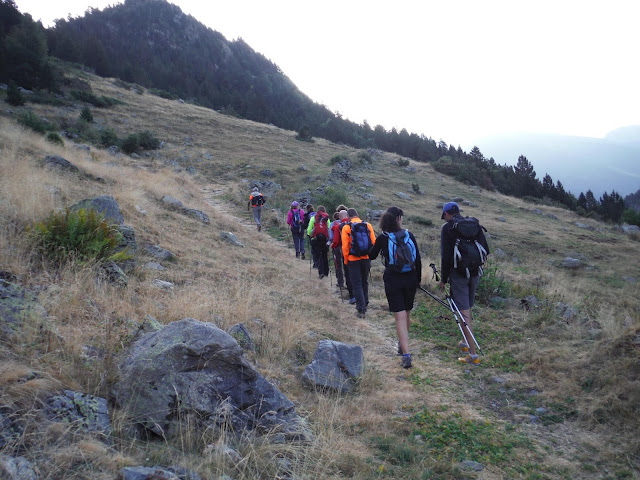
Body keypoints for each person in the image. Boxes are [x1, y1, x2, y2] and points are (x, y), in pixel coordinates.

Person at [438, 202, 490, 366]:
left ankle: (473, 355)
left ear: (447, 214)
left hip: (459, 275)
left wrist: (443, 279)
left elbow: (446, 257)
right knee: (466, 309)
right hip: (475, 273)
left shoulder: (448, 228)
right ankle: (465, 343)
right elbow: (486, 250)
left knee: (464, 313)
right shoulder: (473, 225)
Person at [369, 207, 421, 369]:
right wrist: (418, 280)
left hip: (393, 279)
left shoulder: (383, 238)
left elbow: (371, 255)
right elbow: (418, 259)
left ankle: (406, 354)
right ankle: (402, 344)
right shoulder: (409, 235)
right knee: (407, 312)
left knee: (399, 316)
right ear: (398, 218)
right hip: (410, 278)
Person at [341, 208, 376, 318]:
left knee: (356, 283)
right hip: (366, 258)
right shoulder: (368, 225)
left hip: (353, 259)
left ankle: (361, 309)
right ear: (357, 214)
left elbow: (345, 247)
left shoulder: (346, 227)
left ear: (348, 216)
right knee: (364, 281)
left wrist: (346, 260)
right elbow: (374, 242)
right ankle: (365, 302)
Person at [307, 205, 330, 279]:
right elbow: (329, 229)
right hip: (325, 239)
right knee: (324, 255)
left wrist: (309, 235)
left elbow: (309, 229)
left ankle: (321, 272)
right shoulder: (327, 219)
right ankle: (326, 272)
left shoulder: (314, 218)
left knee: (319, 255)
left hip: (316, 239)